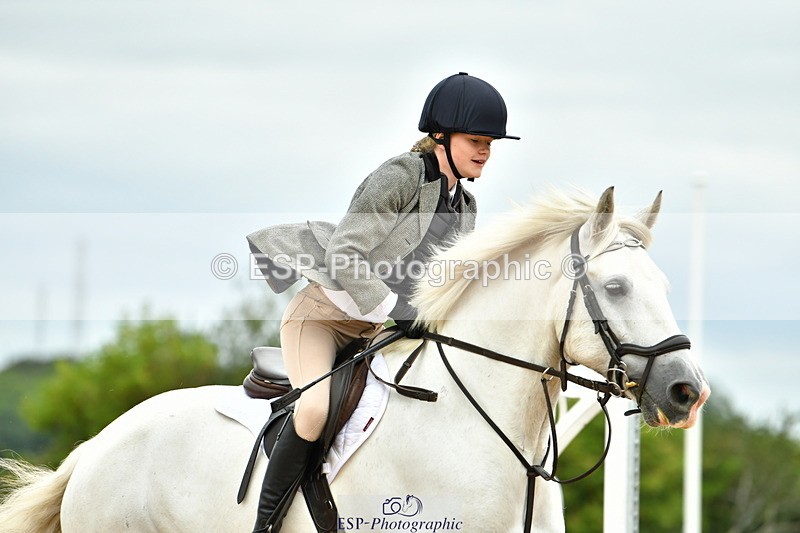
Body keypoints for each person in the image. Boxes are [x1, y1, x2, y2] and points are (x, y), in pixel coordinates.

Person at [246, 72, 519, 532]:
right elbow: (344, 253)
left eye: (490, 142)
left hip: (382, 333)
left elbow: (445, 283)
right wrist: (394, 307)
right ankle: (267, 525)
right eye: (476, 140)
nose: (485, 151)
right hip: (325, 319)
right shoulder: (400, 176)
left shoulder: (465, 206)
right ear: (440, 135)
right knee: (313, 409)